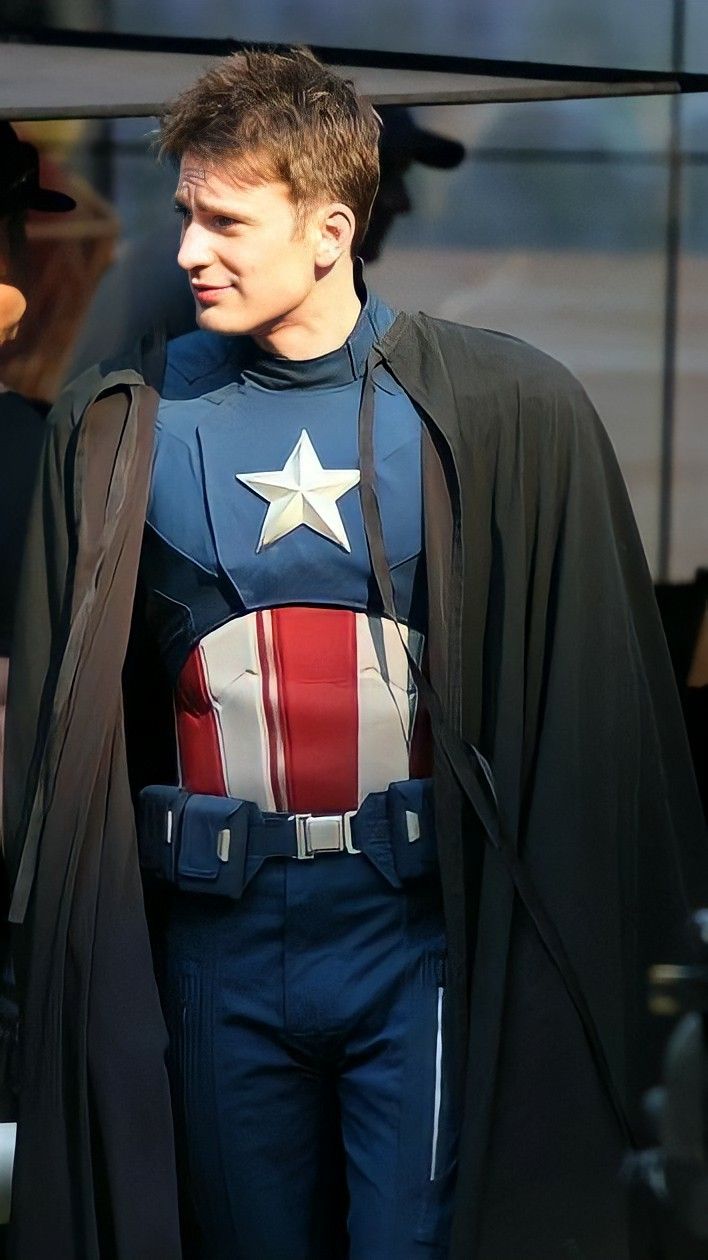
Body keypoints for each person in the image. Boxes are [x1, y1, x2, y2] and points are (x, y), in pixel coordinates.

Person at [3, 46, 707, 1260]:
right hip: (214, 944)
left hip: (414, 942)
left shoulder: (498, 411)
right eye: (185, 214)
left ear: (329, 229)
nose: (188, 251)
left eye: (225, 219)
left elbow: (588, 721)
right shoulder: (124, 428)